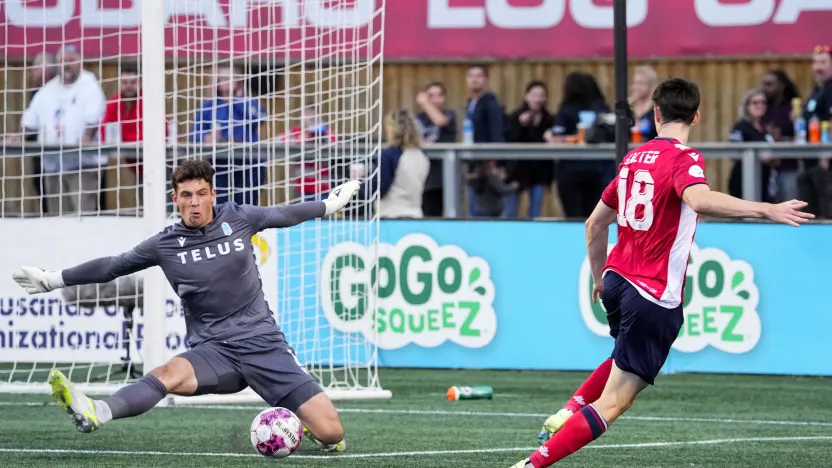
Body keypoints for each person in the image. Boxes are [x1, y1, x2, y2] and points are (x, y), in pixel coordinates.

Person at [510, 78, 814, 468]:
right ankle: (532, 464)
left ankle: (571, 409)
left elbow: (593, 225)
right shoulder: (684, 158)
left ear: (656, 114)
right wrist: (766, 208)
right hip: (652, 292)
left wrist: (600, 277)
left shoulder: (633, 159)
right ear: (697, 116)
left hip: (617, 281)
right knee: (616, 399)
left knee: (621, 358)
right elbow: (700, 200)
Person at [12, 159, 360, 453]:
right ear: (175, 198)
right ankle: (97, 410)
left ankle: (311, 425)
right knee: (166, 373)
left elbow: (285, 213)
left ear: (212, 194)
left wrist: (330, 205)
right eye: (186, 196)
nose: (195, 203)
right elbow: (112, 266)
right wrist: (53, 279)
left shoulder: (238, 218)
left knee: (333, 434)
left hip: (265, 346)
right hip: (215, 353)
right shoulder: (165, 245)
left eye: (201, 194)